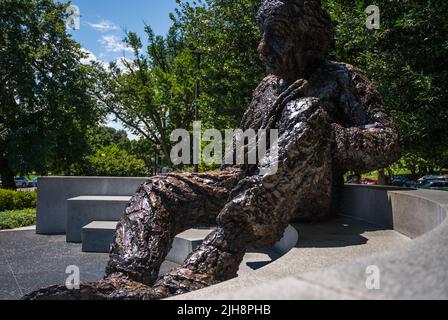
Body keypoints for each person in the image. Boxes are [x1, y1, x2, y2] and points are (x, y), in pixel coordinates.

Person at [25, 0, 400, 300]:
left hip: (306, 192)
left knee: (307, 113)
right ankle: (125, 282)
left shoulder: (341, 77)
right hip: (244, 181)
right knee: (161, 190)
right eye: (262, 35)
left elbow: (387, 140)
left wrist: (313, 134)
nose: (262, 47)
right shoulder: (266, 88)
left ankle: (205, 268)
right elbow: (238, 153)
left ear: (306, 38)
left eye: (276, 36)